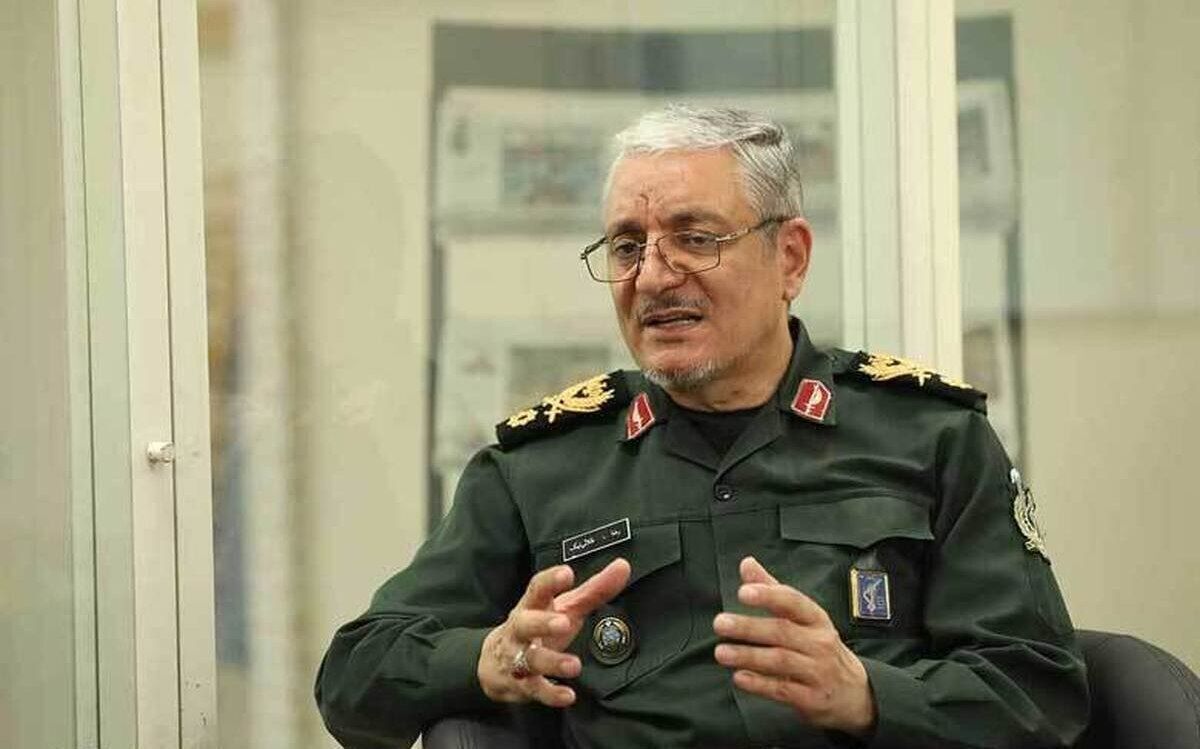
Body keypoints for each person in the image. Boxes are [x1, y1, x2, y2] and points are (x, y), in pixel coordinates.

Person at [315, 105, 1089, 748]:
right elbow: (353, 673)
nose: (653, 275)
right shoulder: (539, 470)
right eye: (628, 246)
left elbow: (1040, 691)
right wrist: (486, 656)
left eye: (695, 238)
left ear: (790, 258)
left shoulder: (931, 439)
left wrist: (865, 694)